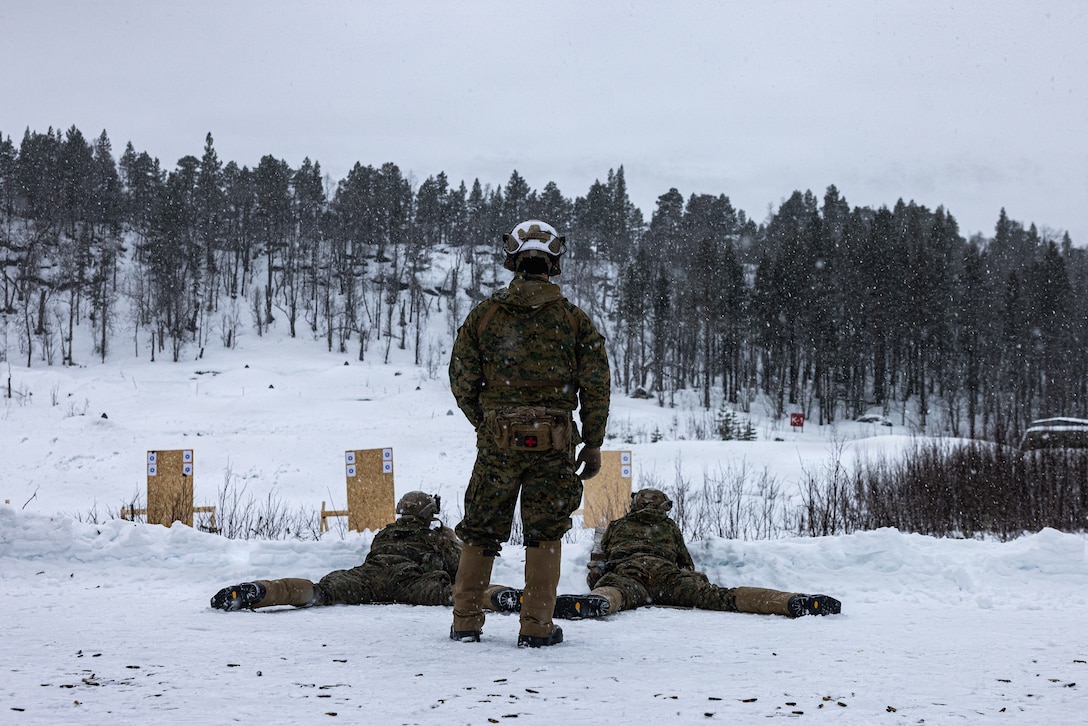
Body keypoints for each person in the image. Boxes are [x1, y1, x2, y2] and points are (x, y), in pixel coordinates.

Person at [447, 219, 611, 647]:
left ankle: (465, 621)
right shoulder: (575, 321)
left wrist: (485, 420)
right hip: (554, 443)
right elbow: (596, 386)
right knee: (545, 532)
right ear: (553, 263)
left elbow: (461, 376)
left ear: (513, 261)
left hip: (497, 441)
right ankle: (536, 627)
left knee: (481, 529)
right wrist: (592, 444)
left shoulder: (485, 314)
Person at [557, 488, 842, 619]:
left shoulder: (618, 525)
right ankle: (789, 602)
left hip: (631, 575)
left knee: (615, 593)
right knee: (722, 598)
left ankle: (596, 604)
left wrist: (600, 582)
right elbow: (686, 563)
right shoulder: (669, 526)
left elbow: (600, 561)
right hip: (669, 578)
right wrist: (691, 584)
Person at [210, 491, 514, 611]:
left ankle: (264, 591)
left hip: (367, 580)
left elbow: (375, 558)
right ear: (427, 515)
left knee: (320, 591)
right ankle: (507, 598)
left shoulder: (385, 534)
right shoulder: (435, 538)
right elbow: (460, 569)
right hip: (412, 584)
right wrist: (449, 540)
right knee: (463, 593)